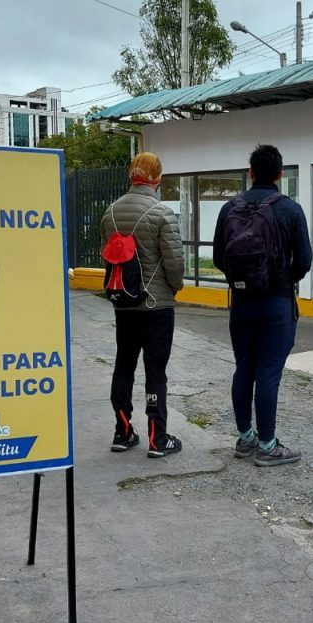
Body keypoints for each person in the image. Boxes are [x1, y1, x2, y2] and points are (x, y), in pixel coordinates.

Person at [213, 144, 312, 467]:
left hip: (241, 302)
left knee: (244, 367)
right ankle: (268, 445)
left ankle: (245, 438)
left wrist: (241, 280)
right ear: (280, 174)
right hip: (276, 303)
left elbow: (218, 258)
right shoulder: (290, 209)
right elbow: (305, 261)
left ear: (251, 173)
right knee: (268, 372)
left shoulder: (230, 208)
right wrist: (281, 280)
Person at [101, 152, 185, 457]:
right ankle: (157, 437)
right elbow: (174, 263)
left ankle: (122, 431)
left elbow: (109, 255)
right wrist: (173, 288)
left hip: (124, 303)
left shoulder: (110, 213)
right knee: (155, 369)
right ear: (157, 179)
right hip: (156, 306)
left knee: (124, 364)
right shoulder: (162, 213)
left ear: (131, 176)